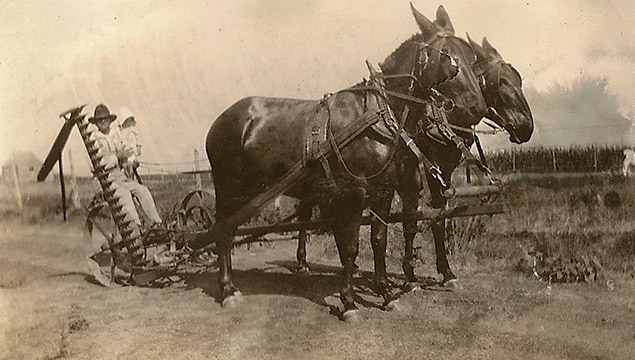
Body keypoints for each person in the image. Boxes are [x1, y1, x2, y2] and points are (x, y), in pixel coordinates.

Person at [88, 104, 162, 226]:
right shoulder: (94, 139)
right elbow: (96, 164)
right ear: (95, 123)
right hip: (104, 180)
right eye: (99, 120)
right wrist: (117, 156)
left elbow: (123, 152)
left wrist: (130, 161)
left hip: (119, 176)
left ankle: (157, 223)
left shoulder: (114, 135)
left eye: (105, 119)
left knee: (142, 190)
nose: (103, 122)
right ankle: (137, 227)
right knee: (125, 194)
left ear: (109, 120)